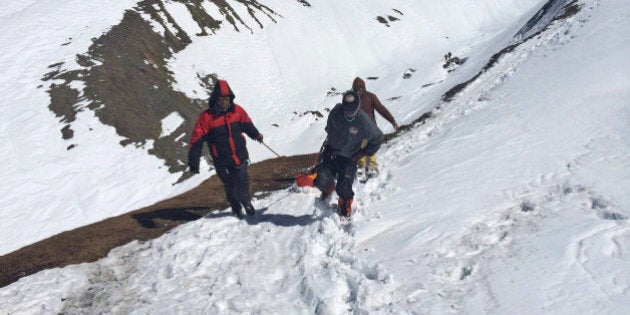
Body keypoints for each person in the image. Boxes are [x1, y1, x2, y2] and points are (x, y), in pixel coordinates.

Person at [188, 80, 263, 219]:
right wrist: (193, 161)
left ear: (230, 98)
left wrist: (256, 135)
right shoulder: (207, 117)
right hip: (221, 160)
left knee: (243, 180)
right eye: (221, 98)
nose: (224, 101)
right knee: (230, 185)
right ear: (215, 98)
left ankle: (246, 202)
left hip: (239, 155)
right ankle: (236, 208)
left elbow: (247, 125)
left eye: (226, 98)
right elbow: (196, 139)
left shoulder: (238, 111)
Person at [313, 90, 384, 217]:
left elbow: (378, 138)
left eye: (352, 111)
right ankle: (328, 188)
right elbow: (329, 128)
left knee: (344, 188)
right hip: (331, 153)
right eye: (347, 111)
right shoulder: (336, 112)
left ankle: (345, 202)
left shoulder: (364, 122)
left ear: (358, 107)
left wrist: (362, 153)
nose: (349, 114)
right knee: (321, 180)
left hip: (349, 158)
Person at [351, 77, 398, 178]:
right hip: (358, 131)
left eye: (360, 88)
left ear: (363, 87)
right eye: (356, 88)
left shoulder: (370, 97)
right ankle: (362, 168)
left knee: (367, 147)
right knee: (361, 148)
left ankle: (369, 167)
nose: (358, 90)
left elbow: (381, 109)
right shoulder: (352, 99)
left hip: (370, 129)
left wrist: (392, 120)